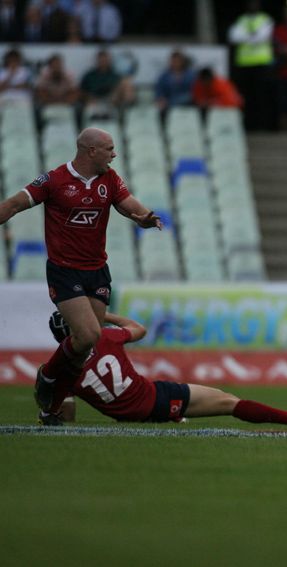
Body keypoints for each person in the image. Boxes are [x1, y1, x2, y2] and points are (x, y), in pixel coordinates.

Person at [0, 127, 163, 419]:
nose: (114, 154)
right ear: (91, 151)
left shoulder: (109, 179)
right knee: (88, 335)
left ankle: (51, 409)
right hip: (65, 271)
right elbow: (13, 205)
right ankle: (48, 375)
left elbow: (129, 205)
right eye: (109, 149)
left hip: (97, 271)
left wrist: (143, 217)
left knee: (85, 350)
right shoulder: (54, 181)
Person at [38, 311, 287, 427]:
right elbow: (138, 329)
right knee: (228, 401)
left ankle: (174, 415)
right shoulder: (107, 338)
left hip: (132, 411)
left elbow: (66, 414)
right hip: (153, 399)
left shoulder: (61, 368)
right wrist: (103, 315)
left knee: (221, 401)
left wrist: (49, 413)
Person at [227, 0, 275, 131]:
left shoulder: (265, 19)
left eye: (255, 3)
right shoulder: (241, 19)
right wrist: (252, 36)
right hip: (244, 64)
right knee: (245, 96)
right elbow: (233, 37)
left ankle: (263, 125)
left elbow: (262, 37)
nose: (253, 5)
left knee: (262, 97)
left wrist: (246, 37)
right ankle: (248, 125)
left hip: (261, 64)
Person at [79, 49, 135, 116]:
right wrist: (89, 98)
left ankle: (126, 111)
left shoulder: (115, 75)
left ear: (109, 60)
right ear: (97, 60)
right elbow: (82, 91)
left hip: (111, 100)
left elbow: (119, 90)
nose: (103, 62)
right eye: (101, 60)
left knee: (125, 82)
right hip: (94, 101)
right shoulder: (89, 75)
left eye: (105, 60)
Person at [154, 50, 196, 114]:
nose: (175, 63)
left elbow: (193, 92)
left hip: (187, 104)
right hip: (168, 106)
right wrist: (160, 98)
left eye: (177, 61)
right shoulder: (164, 76)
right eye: (173, 61)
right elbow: (159, 89)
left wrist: (171, 102)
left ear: (182, 61)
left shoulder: (191, 75)